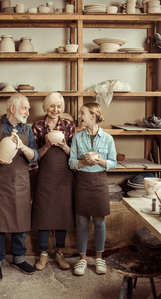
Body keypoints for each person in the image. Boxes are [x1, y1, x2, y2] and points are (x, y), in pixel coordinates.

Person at [0, 93, 39, 282]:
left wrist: (22, 147)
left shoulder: (27, 130)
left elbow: (35, 156)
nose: (28, 112)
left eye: (28, 109)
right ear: (13, 108)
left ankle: (19, 259)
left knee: (20, 222)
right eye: (25, 108)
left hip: (20, 182)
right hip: (0, 183)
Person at [68, 102, 117, 276]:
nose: (80, 116)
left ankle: (99, 258)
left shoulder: (108, 138)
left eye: (82, 113)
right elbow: (71, 162)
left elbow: (113, 163)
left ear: (93, 116)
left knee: (99, 222)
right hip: (82, 181)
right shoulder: (76, 138)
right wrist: (83, 162)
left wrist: (100, 162)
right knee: (81, 222)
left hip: (99, 181)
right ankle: (82, 259)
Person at [31, 92, 76, 271]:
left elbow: (76, 154)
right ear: (46, 107)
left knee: (62, 213)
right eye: (52, 106)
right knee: (44, 213)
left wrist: (64, 146)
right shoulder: (37, 126)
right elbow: (34, 156)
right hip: (45, 175)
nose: (55, 110)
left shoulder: (68, 125)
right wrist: (47, 146)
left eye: (58, 106)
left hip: (64, 175)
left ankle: (59, 253)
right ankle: (43, 254)